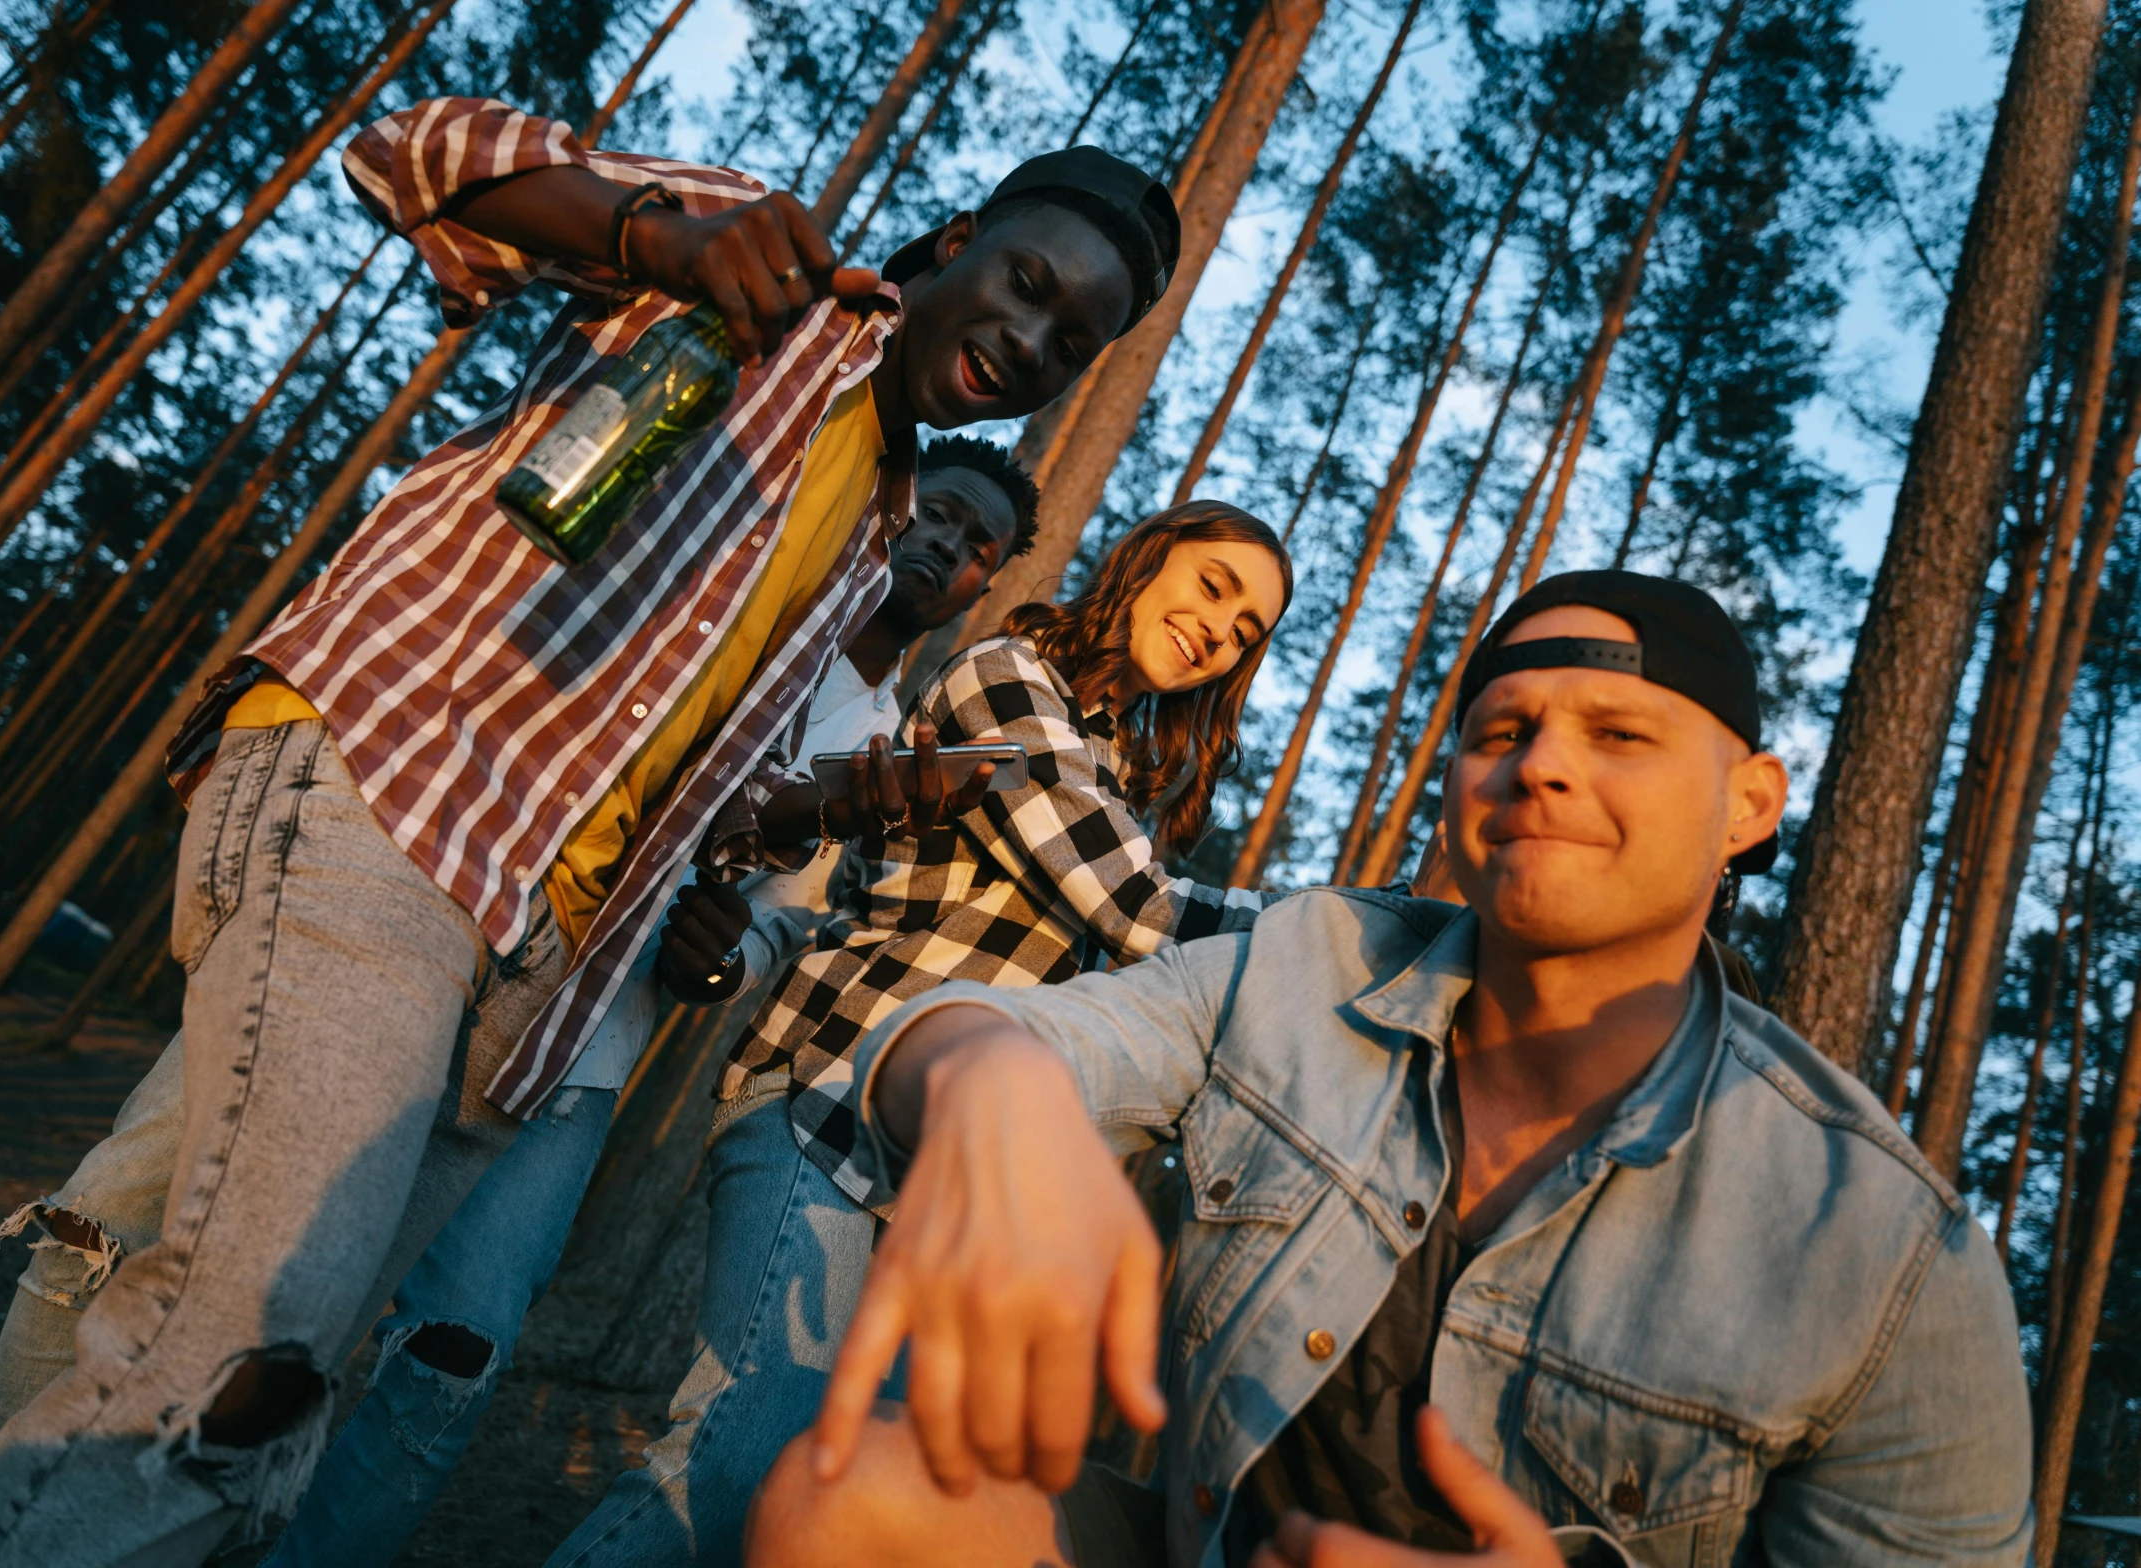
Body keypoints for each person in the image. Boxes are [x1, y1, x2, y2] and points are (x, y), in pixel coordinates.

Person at [0, 89, 1179, 1568]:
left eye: (1075, 343)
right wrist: (659, 235)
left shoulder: (866, 542)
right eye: (1025, 284)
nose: (1033, 339)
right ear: (952, 244)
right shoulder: (778, 288)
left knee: (271, 1407)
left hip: (540, 964)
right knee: (242, 1356)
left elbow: (695, 796)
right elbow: (417, 153)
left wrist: (811, 846)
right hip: (397, 787)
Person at [748, 570, 2034, 1568]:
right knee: (852, 1490)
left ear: (1749, 803)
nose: (1542, 761)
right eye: (1504, 728)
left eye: (1621, 734)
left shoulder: (1887, 1253)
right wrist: (994, 1084)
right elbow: (1012, 1032)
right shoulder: (1308, 958)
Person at [257, 438, 1038, 1566]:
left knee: (451, 1358)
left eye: (981, 551)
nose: (951, 548)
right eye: (943, 514)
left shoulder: (884, 753)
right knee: (276, 1293)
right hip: (440, 949)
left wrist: (716, 958)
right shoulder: (747, 596)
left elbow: (776, 929)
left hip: (583, 1056)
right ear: (892, 504)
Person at [553, 501, 1295, 1567]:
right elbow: (1139, 909)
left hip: (953, 1180)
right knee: (735, 1465)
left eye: (1247, 632)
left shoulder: (1115, 772)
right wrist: (1342, 936)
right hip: (832, 1096)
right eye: (1213, 588)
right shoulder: (1005, 681)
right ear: (1144, 562)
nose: (1219, 631)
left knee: (852, 1485)